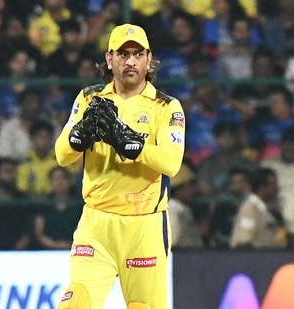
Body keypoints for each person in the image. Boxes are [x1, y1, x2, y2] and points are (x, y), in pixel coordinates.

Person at [54, 23, 185, 309]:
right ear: (109, 59)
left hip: (144, 227)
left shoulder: (166, 106)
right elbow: (62, 155)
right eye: (122, 54)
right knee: (75, 304)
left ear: (149, 59)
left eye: (138, 55)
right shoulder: (90, 98)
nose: (130, 62)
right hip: (95, 223)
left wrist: (127, 140)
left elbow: (171, 163)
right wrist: (80, 135)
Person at [230, 167, 287, 249]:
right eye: (273, 184)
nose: (277, 188)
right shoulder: (250, 209)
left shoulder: (269, 208)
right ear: (262, 187)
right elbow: (242, 242)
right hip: (256, 259)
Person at [168, 162, 204, 249]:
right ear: (179, 190)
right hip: (179, 258)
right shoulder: (172, 211)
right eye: (190, 187)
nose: (194, 190)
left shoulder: (182, 209)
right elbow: (171, 242)